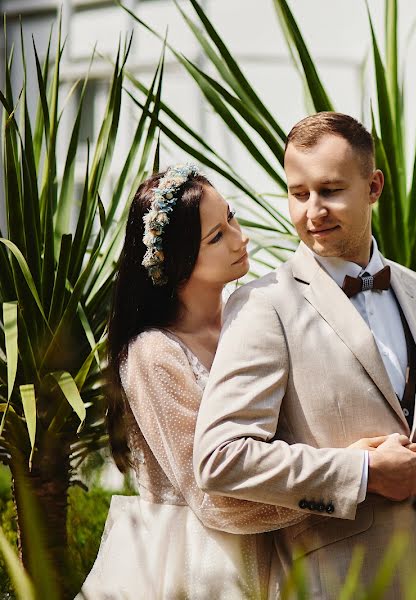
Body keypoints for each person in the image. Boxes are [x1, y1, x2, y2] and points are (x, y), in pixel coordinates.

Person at [193, 112, 416, 599]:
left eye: (330, 191)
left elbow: (409, 419)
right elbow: (221, 458)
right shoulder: (266, 305)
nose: (313, 212)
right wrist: (364, 474)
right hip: (327, 582)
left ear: (373, 187)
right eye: (298, 193)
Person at [81, 166, 313, 599]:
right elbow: (211, 497)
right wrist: (336, 487)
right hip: (188, 561)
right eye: (216, 237)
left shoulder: (253, 321)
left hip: (276, 545)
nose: (240, 237)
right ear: (174, 260)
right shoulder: (154, 353)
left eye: (232, 217)